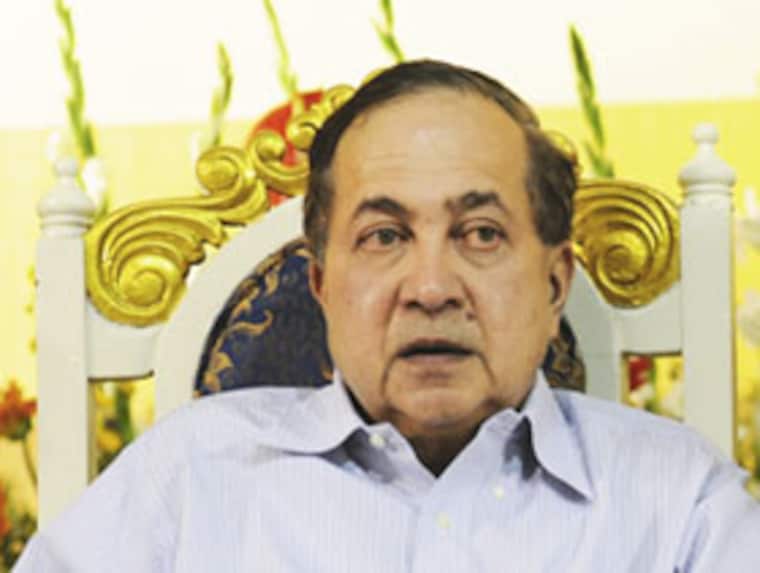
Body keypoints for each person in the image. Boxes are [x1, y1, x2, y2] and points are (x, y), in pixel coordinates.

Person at [15, 60, 760, 571]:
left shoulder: (677, 498)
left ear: (554, 283)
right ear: (320, 283)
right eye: (384, 236)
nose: (431, 288)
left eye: (481, 234)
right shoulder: (188, 476)